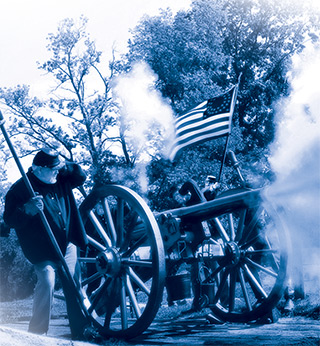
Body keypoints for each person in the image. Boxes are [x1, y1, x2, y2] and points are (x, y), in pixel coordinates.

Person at [3, 148, 99, 341]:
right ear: (38, 169)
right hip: (42, 249)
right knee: (47, 281)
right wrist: (28, 209)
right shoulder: (20, 189)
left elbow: (81, 177)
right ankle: (37, 333)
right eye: (52, 169)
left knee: (73, 283)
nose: (56, 172)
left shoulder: (61, 178)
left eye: (58, 168)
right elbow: (10, 220)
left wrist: (62, 163)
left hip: (68, 243)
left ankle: (82, 330)